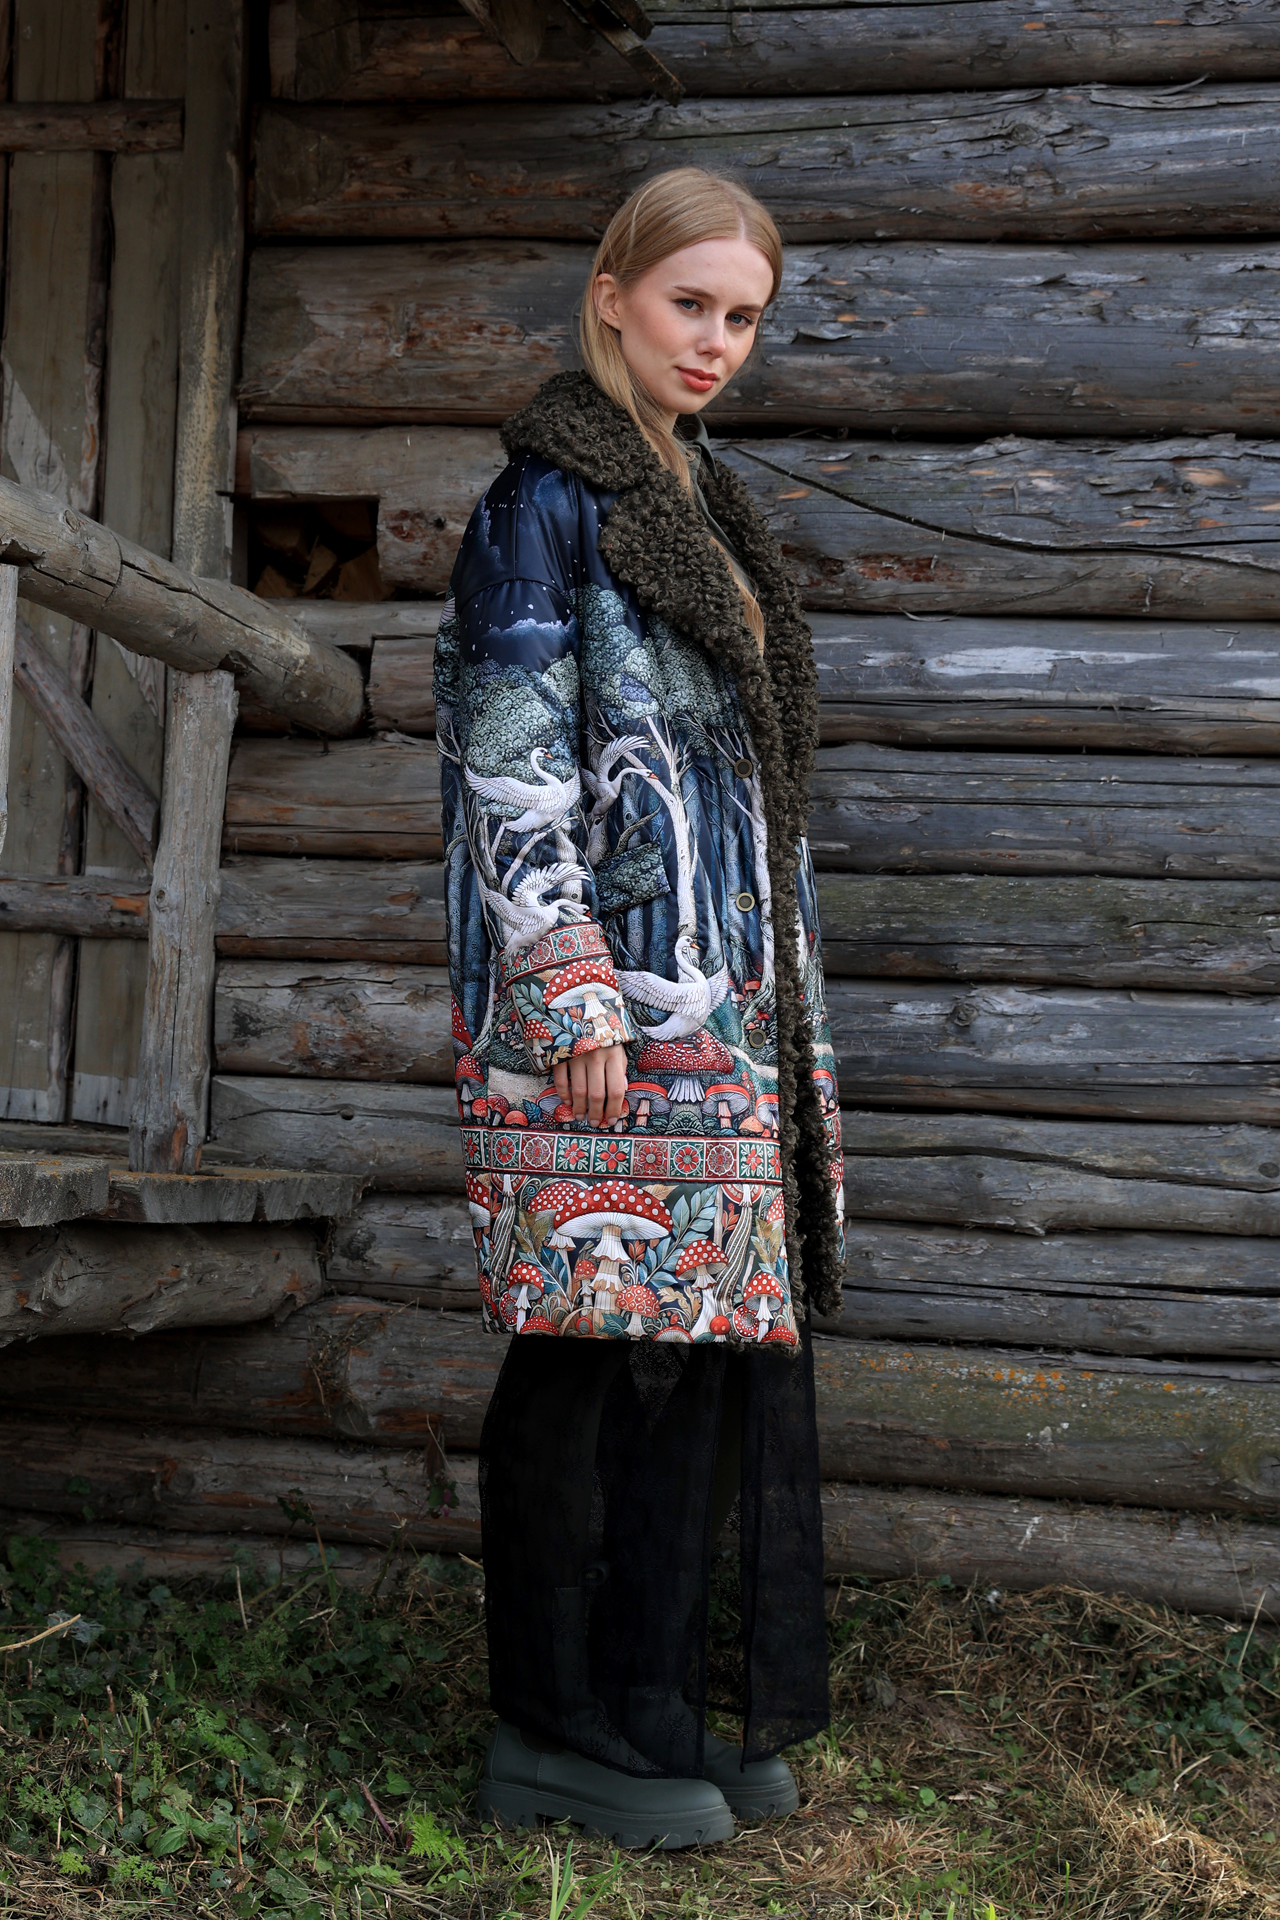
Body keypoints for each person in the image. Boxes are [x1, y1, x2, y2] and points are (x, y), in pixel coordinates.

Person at [433, 166, 846, 1851]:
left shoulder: (704, 500)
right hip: (599, 1017)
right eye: (691, 303)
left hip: (724, 1014)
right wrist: (572, 989)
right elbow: (511, 763)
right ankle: (557, 1724)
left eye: (743, 317)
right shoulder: (541, 505)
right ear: (611, 293)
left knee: (701, 1352)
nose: (716, 342)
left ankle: (658, 1699)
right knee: (590, 1348)